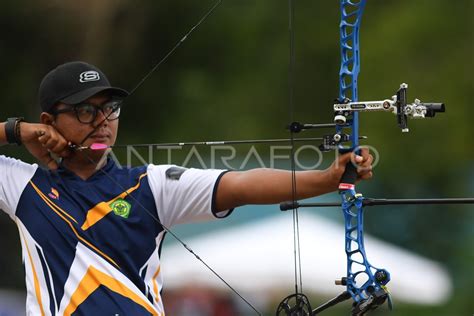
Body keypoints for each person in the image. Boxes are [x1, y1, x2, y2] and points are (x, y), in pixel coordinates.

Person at [0, 61, 373, 315]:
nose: (102, 122)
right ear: (49, 121)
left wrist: (326, 179)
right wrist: (16, 130)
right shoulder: (23, 186)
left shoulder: (151, 185)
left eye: (110, 108)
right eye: (86, 111)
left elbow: (241, 186)